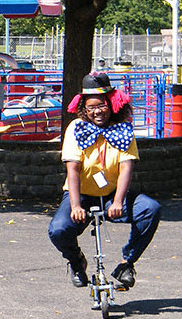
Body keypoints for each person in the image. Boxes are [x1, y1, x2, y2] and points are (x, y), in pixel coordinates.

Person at [48, 72, 161, 289]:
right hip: (81, 195)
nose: (97, 111)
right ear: (84, 108)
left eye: (102, 105)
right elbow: (72, 170)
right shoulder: (76, 128)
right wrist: (75, 205)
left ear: (112, 104)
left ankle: (126, 263)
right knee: (59, 230)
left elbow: (126, 167)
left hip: (111, 195)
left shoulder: (124, 129)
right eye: (91, 107)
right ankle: (76, 261)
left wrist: (118, 201)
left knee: (150, 209)